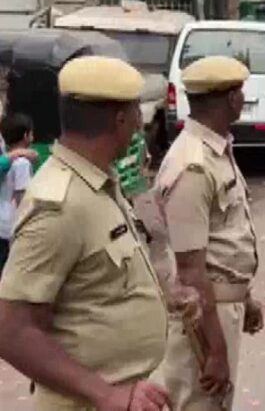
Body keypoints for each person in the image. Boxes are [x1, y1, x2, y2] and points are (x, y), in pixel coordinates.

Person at [0, 56, 171, 411]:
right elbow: (11, 330)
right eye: (136, 113)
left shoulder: (97, 182)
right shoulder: (59, 204)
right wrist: (104, 393)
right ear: (121, 120)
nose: (141, 124)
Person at [152, 56, 263, 411]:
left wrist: (245, 298)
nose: (244, 100)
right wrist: (214, 349)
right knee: (201, 404)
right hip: (202, 320)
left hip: (221, 308)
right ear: (231, 100)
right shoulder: (193, 166)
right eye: (241, 93)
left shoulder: (215, 151)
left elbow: (223, 242)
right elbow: (191, 272)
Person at [0, 114, 34, 274]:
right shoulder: (22, 163)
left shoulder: (6, 159)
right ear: (26, 135)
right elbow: (22, 197)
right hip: (10, 226)